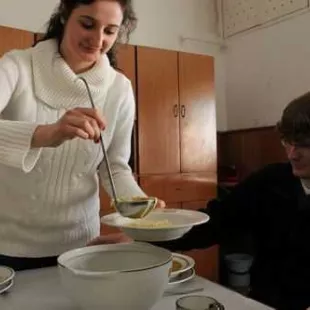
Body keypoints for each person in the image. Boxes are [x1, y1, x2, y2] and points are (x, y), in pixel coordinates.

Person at [0, 0, 164, 271]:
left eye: (110, 31)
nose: (98, 40)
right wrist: (44, 134)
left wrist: (140, 209)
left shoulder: (120, 89)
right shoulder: (18, 65)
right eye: (88, 24)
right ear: (65, 14)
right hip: (9, 246)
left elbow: (115, 168)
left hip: (82, 247)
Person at [154, 92, 310, 310]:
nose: (292, 154)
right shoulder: (270, 181)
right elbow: (214, 222)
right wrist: (147, 236)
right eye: (287, 141)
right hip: (263, 302)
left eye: (304, 145)